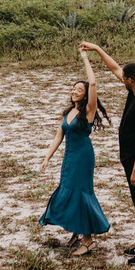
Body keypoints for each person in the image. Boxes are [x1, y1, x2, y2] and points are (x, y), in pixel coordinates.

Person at [80, 41, 135, 264]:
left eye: (124, 77)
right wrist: (96, 49)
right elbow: (115, 69)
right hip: (129, 156)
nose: (120, 78)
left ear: (130, 80)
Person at [38, 48, 112, 256]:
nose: (75, 91)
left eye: (79, 89)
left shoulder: (88, 111)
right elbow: (58, 137)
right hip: (69, 157)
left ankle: (88, 241)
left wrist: (85, 58)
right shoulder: (68, 112)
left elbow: (94, 84)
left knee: (80, 194)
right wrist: (46, 158)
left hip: (83, 157)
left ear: (86, 94)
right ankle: (77, 233)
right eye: (73, 88)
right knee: (67, 191)